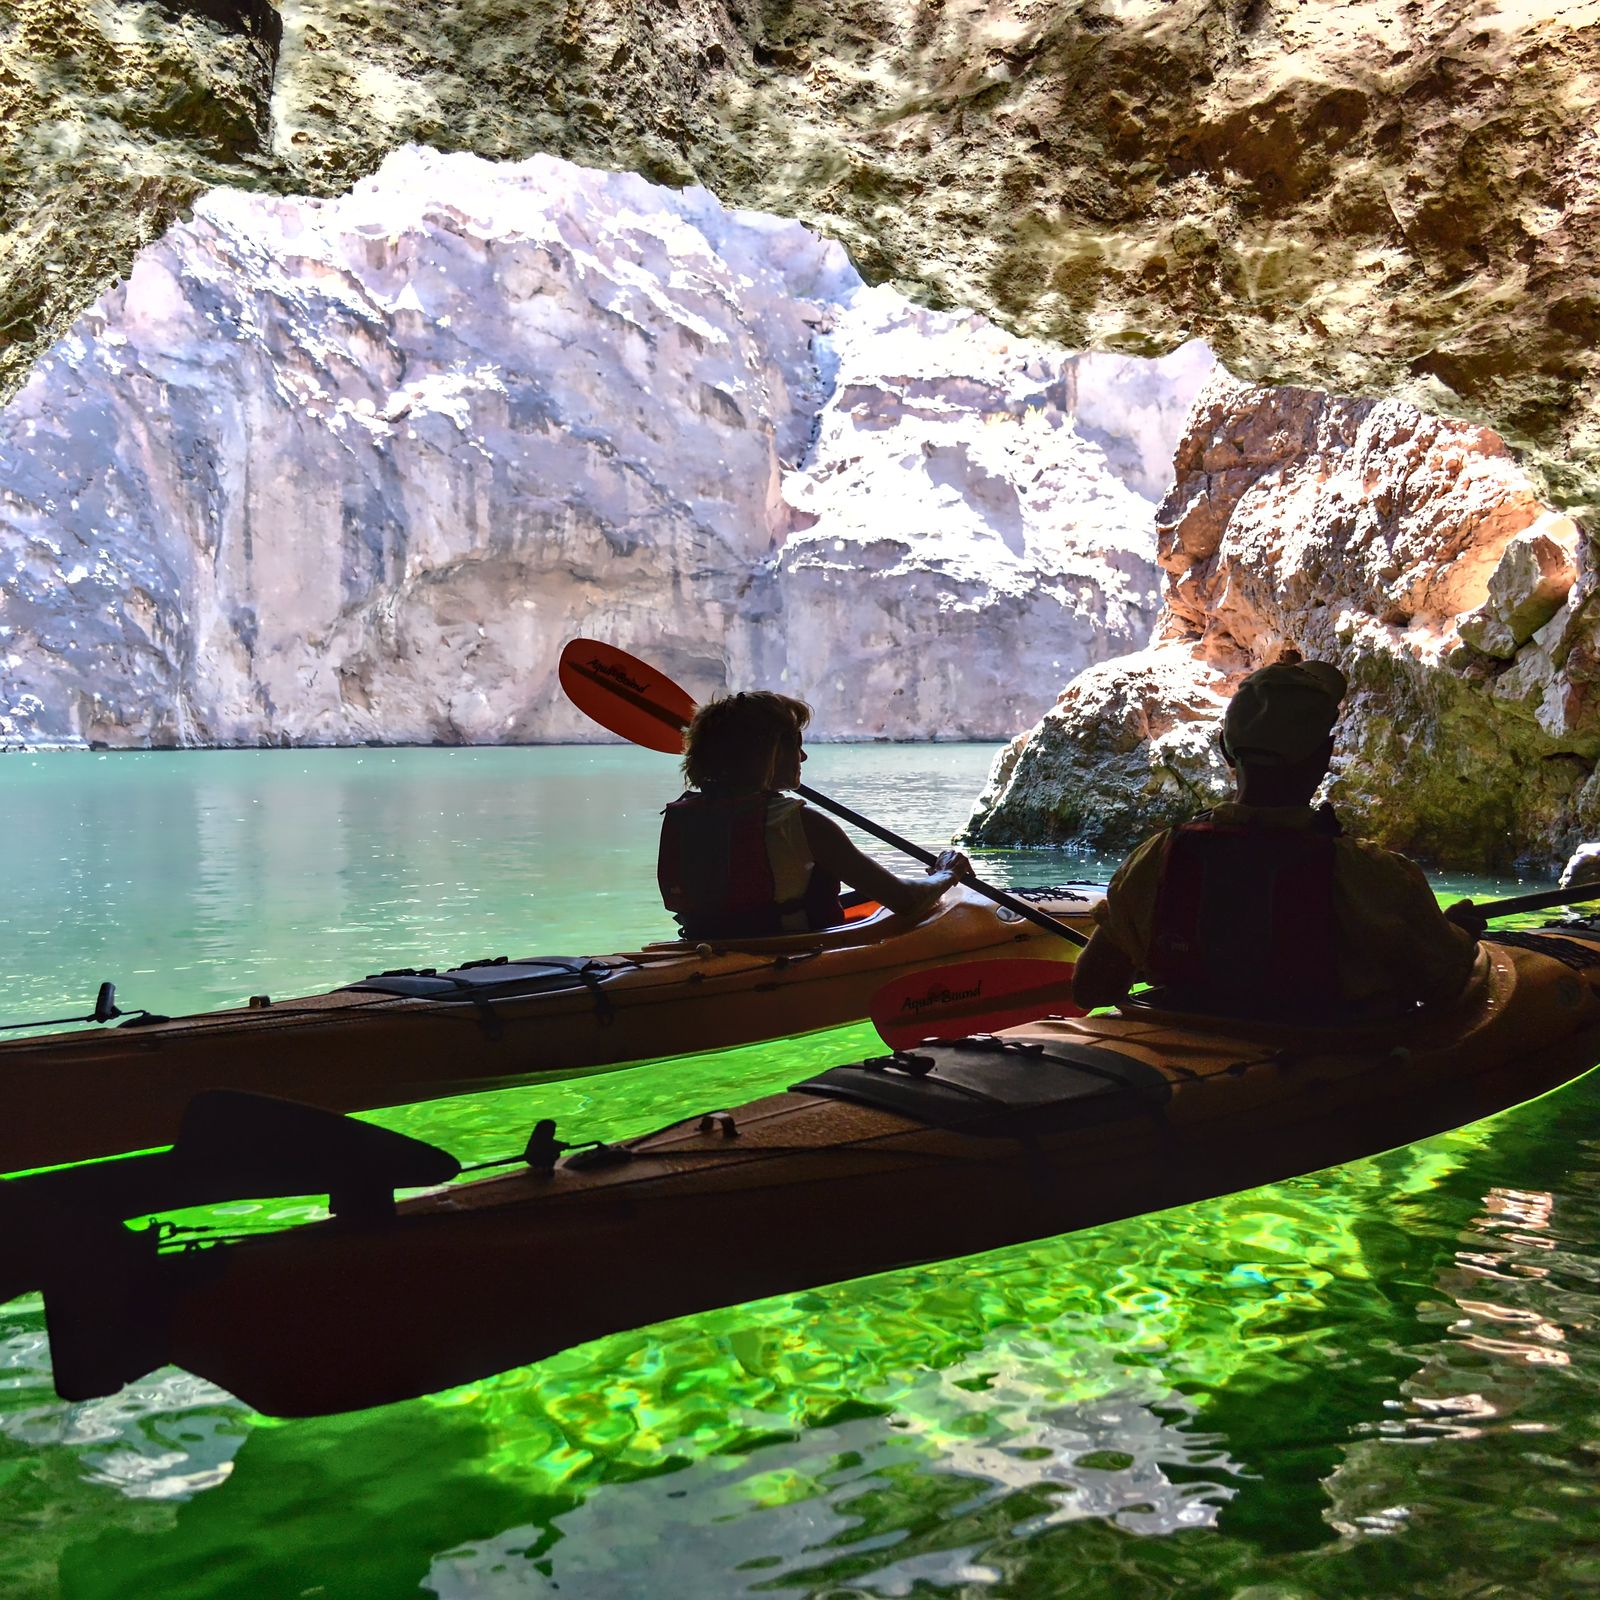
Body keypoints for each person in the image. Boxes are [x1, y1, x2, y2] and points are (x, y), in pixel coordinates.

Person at [1071, 659, 1483, 1018]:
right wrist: (1456, 936)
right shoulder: (1374, 877)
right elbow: (1445, 984)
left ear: (1225, 750)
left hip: (1188, 1055)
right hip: (1321, 1065)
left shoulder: (1157, 859)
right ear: (1324, 756)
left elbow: (1091, 989)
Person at [658, 690, 972, 940]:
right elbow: (905, 900)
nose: (803, 756)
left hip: (704, 948)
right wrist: (947, 874)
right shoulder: (803, 824)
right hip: (795, 954)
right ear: (770, 752)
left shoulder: (685, 816)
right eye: (796, 744)